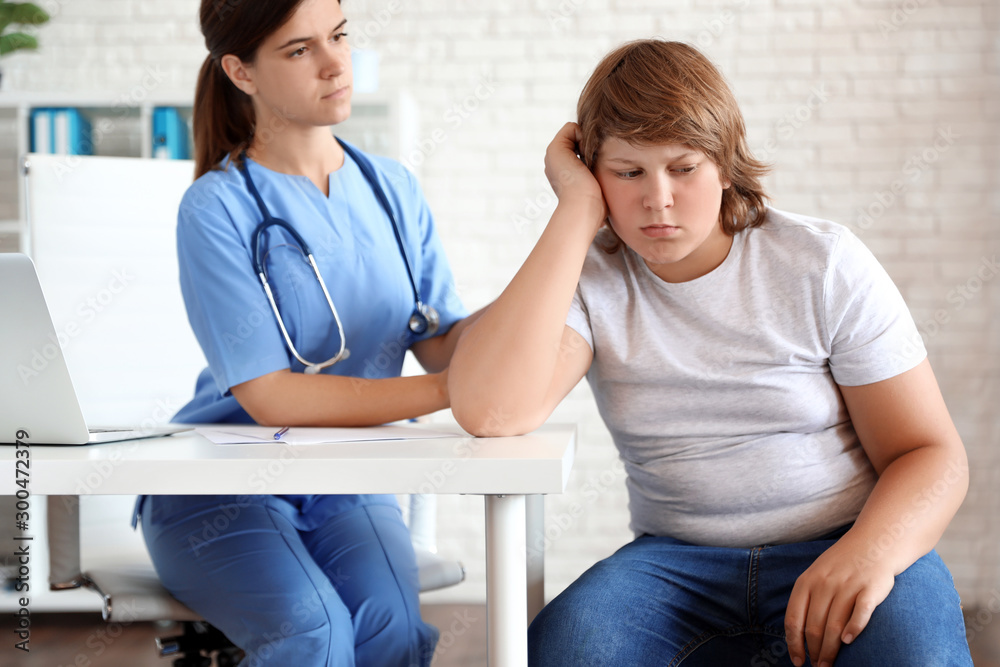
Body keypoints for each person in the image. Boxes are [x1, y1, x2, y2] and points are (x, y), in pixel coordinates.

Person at [448, 39, 973, 666]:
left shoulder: (822, 263)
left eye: (684, 167)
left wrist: (869, 553)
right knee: (570, 646)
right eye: (627, 172)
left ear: (724, 163)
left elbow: (931, 454)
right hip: (675, 564)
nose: (658, 199)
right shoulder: (589, 278)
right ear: (593, 172)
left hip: (841, 537)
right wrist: (575, 211)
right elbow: (492, 412)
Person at [132, 0, 484, 665]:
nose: (334, 63)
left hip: (348, 479)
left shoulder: (392, 188)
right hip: (221, 486)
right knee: (314, 631)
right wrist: (450, 391)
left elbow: (442, 336)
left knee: (390, 630)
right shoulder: (217, 207)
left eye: (340, 36)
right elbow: (272, 395)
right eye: (299, 50)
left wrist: (542, 293)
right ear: (242, 72)